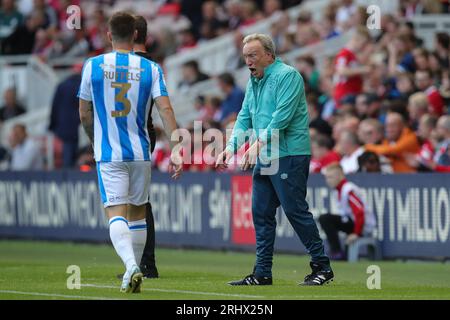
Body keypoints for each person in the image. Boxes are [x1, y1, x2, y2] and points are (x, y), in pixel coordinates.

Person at [216, 33, 333, 286]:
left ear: (269, 55)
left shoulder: (287, 76)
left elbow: (282, 118)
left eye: (253, 55)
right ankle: (262, 273)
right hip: (267, 155)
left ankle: (322, 267)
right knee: (261, 213)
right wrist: (231, 147)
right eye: (246, 56)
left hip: (290, 153)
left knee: (295, 210)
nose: (248, 61)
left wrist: (256, 145)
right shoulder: (253, 81)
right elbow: (244, 117)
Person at [78, 12, 182, 293]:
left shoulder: (93, 65)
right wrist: (176, 149)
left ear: (109, 35)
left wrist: (93, 138)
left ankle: (131, 266)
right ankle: (133, 270)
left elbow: (84, 112)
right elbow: (166, 110)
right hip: (140, 152)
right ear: (136, 35)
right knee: (138, 214)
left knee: (115, 213)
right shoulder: (151, 68)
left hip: (109, 153)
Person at [128, 14, 159, 279]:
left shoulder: (132, 65)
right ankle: (141, 262)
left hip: (134, 135)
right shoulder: (152, 66)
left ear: (133, 35)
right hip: (145, 133)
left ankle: (144, 262)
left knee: (137, 203)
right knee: (138, 201)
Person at [319, 163, 376, 260]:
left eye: (331, 177)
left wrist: (356, 233)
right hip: (353, 222)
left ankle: (336, 251)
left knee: (325, 218)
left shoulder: (348, 189)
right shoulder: (338, 190)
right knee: (325, 219)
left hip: (362, 225)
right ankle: (337, 252)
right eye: (327, 177)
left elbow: (360, 212)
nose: (328, 180)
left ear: (340, 176)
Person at [49, 64, 82, 168]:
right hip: (79, 125)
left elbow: (54, 106)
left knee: (67, 153)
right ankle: (71, 178)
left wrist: (52, 124)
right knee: (74, 155)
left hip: (64, 125)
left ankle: (68, 176)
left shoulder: (62, 85)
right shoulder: (82, 85)